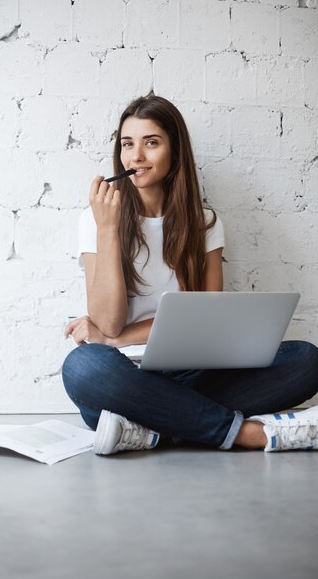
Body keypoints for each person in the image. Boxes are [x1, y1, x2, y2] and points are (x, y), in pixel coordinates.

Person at [62, 94, 318, 456]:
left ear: (175, 152)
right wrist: (108, 230)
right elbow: (108, 320)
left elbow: (204, 322)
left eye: (151, 143)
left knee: (306, 360)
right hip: (123, 377)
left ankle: (153, 431)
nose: (135, 156)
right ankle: (246, 434)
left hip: (193, 374)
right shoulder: (96, 220)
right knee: (83, 368)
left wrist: (111, 340)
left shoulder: (205, 223)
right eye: (127, 144)